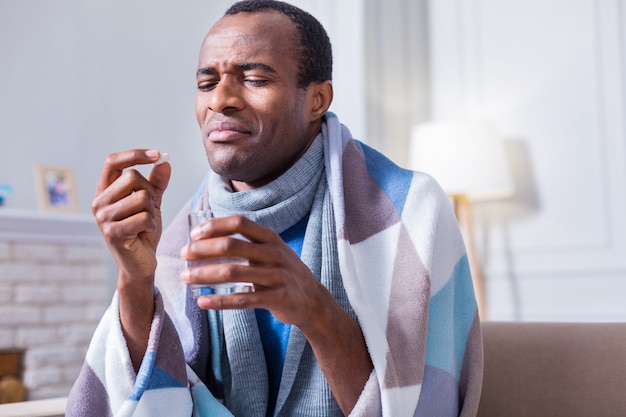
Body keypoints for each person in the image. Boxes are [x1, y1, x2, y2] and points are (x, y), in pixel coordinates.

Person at [66, 1, 483, 416]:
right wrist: (135, 281)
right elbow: (155, 402)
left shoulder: (410, 211)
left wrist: (315, 309)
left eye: (254, 79)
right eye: (206, 83)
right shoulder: (183, 240)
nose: (221, 100)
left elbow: (422, 407)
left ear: (317, 99)